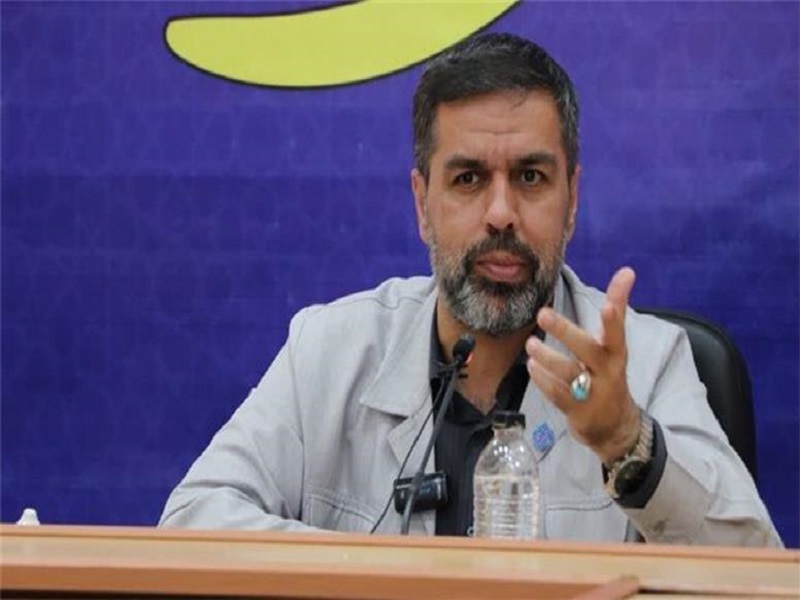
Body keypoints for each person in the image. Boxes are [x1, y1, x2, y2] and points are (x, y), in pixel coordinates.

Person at [159, 33, 781, 546]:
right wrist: (377, 577)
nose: (501, 213)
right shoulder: (327, 351)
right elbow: (191, 525)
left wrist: (627, 442)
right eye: (468, 179)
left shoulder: (650, 361)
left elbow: (755, 571)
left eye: (530, 177)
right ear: (422, 204)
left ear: (571, 203)